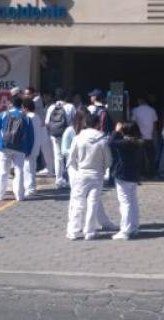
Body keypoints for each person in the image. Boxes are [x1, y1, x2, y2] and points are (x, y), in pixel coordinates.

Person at [66, 111, 113, 240]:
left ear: (86, 123)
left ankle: (74, 231)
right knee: (93, 203)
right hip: (96, 175)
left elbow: (71, 158)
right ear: (98, 124)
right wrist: (102, 170)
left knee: (78, 202)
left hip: (81, 173)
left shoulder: (78, 138)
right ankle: (90, 231)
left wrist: (77, 169)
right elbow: (108, 160)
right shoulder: (102, 140)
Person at [0, 95, 34, 202]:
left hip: (4, 146)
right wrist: (28, 149)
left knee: (3, 172)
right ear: (22, 105)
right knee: (19, 171)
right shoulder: (27, 117)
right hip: (20, 148)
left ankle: (0, 195)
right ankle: (19, 196)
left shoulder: (4, 114)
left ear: (11, 103)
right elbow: (30, 135)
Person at [109, 121, 143, 240]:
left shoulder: (125, 143)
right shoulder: (137, 142)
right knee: (132, 202)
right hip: (133, 175)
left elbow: (111, 142)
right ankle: (133, 226)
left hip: (123, 175)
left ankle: (125, 230)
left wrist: (116, 131)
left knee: (125, 203)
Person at [45, 88, 75, 188]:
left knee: (58, 157)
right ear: (66, 96)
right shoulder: (70, 107)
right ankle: (69, 180)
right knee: (69, 156)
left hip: (55, 135)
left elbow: (46, 123)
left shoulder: (51, 107)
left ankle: (58, 179)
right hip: (68, 134)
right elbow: (75, 121)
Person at [131, 95, 158, 179]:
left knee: (139, 157)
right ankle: (151, 174)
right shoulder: (152, 110)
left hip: (139, 137)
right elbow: (154, 124)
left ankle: (140, 174)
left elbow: (133, 124)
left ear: (139, 100)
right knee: (150, 157)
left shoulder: (135, 110)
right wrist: (154, 135)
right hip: (149, 137)